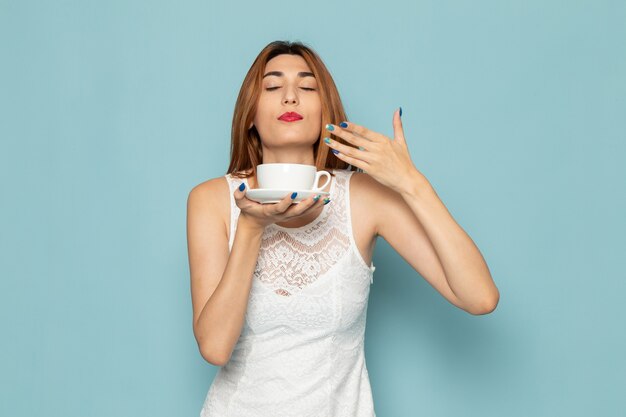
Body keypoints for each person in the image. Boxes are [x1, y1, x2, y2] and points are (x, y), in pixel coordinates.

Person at [187, 40, 500, 417]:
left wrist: (412, 183)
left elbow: (480, 298)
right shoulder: (212, 199)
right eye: (272, 87)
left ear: (325, 112)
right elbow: (214, 348)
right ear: (249, 114)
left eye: (306, 87)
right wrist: (252, 227)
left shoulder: (365, 196)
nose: (290, 97)